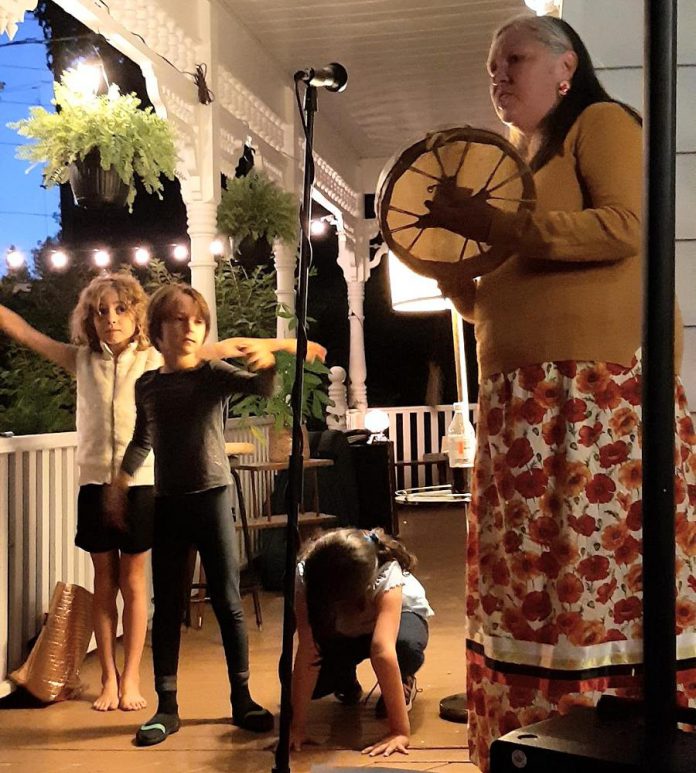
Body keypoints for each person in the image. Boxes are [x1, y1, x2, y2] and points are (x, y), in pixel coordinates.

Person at [399, 14, 696, 772]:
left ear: (566, 67)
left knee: (598, 581)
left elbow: (626, 227)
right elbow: (493, 300)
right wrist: (447, 266)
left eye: (514, 59)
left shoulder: (598, 121)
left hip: (596, 400)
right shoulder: (517, 159)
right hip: (523, 409)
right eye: (490, 65)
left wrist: (497, 223)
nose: (497, 74)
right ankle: (536, 744)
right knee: (535, 585)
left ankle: (616, 737)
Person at [108, 282, 326, 746]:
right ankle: (167, 707)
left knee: (228, 602)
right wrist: (120, 481)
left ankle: (241, 698)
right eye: (178, 319)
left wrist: (268, 365)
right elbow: (142, 440)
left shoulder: (212, 373)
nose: (190, 328)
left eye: (197, 320)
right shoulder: (147, 384)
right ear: (157, 330)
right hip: (168, 503)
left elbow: (261, 388)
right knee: (168, 606)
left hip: (212, 499)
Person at [290, 527, 433, 758]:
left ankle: (403, 678)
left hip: (397, 621)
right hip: (343, 628)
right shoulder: (308, 573)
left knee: (405, 648)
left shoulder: (386, 571)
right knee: (295, 681)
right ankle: (344, 678)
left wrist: (399, 731)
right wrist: (296, 728)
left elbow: (382, 650)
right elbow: (308, 648)